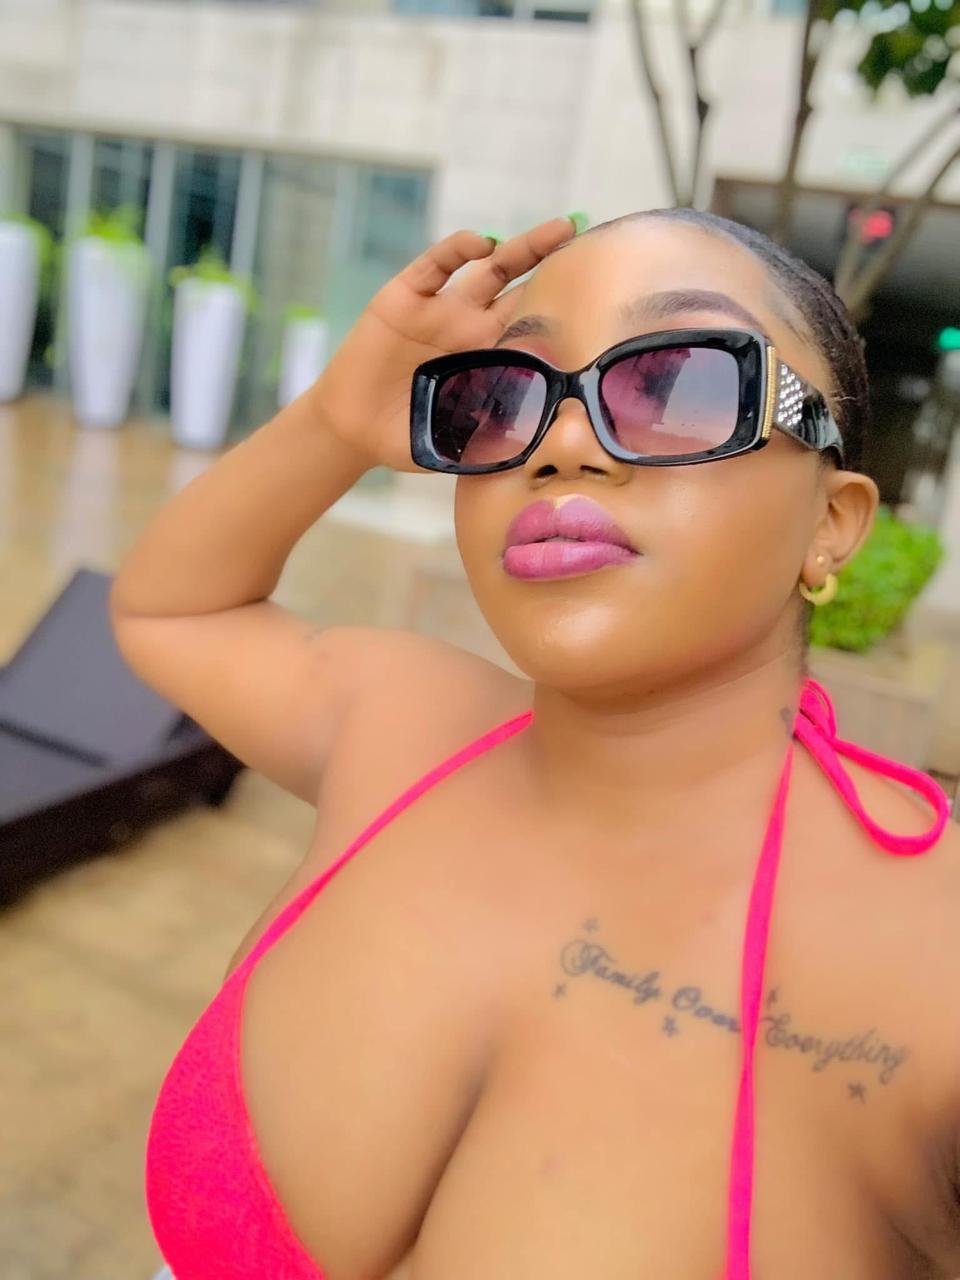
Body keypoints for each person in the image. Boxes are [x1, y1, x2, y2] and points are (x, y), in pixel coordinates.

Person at [111, 210, 957, 1280]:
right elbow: (173, 610)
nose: (561, 442)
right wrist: (336, 419)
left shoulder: (933, 969)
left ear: (831, 522)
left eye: (677, 384)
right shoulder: (402, 726)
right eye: (503, 396)